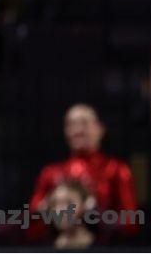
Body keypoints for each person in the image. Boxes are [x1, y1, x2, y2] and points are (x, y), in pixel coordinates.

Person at [28, 103, 138, 242]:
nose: (77, 131)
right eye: (71, 125)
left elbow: (130, 223)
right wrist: (49, 210)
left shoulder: (116, 170)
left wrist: (95, 214)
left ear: (100, 129)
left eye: (84, 123)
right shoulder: (50, 173)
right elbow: (30, 226)